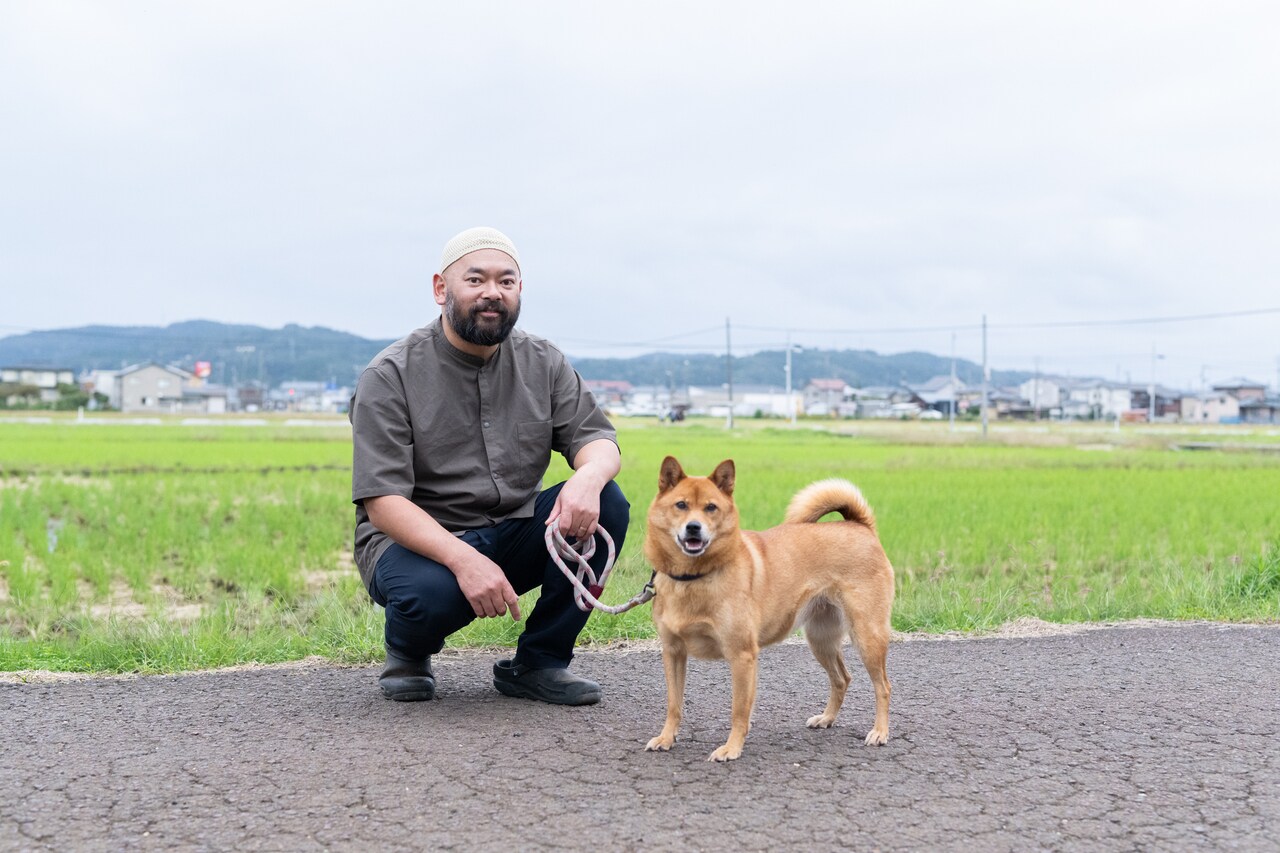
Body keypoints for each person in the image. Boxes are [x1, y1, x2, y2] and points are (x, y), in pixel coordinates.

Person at [349, 226, 628, 706]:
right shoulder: (390, 374)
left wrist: (588, 477)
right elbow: (383, 502)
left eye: (506, 281)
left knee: (607, 500)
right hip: (420, 542)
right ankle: (407, 650)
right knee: (428, 595)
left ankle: (539, 663)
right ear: (441, 289)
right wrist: (463, 559)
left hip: (515, 528)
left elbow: (598, 440)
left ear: (520, 290)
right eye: (475, 280)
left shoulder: (544, 361)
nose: (491, 294)